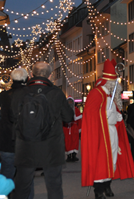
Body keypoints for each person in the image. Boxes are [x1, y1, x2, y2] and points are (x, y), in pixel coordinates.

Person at [10, 62, 74, 199]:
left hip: (26, 146)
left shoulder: (20, 92)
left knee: (22, 187)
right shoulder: (56, 93)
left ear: (32, 74)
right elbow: (68, 118)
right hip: (51, 146)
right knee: (54, 186)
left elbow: (13, 116)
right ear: (50, 75)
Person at [81, 59, 134, 199]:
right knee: (101, 160)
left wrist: (117, 116)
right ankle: (98, 189)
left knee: (112, 158)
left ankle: (107, 185)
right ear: (109, 83)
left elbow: (112, 112)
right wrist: (107, 115)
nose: (116, 87)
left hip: (111, 132)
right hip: (100, 133)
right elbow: (91, 114)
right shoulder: (96, 94)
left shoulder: (109, 96)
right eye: (115, 84)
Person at [0, 68, 28, 181]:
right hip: (25, 141)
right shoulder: (30, 94)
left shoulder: (3, 96)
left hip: (6, 140)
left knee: (7, 174)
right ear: (26, 78)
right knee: (26, 178)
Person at [62, 96, 82, 162]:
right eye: (68, 102)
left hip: (74, 128)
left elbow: (79, 120)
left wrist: (79, 128)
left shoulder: (76, 109)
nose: (70, 103)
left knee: (75, 141)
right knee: (67, 142)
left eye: (71, 101)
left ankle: (74, 155)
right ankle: (68, 156)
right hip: (66, 128)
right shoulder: (64, 110)